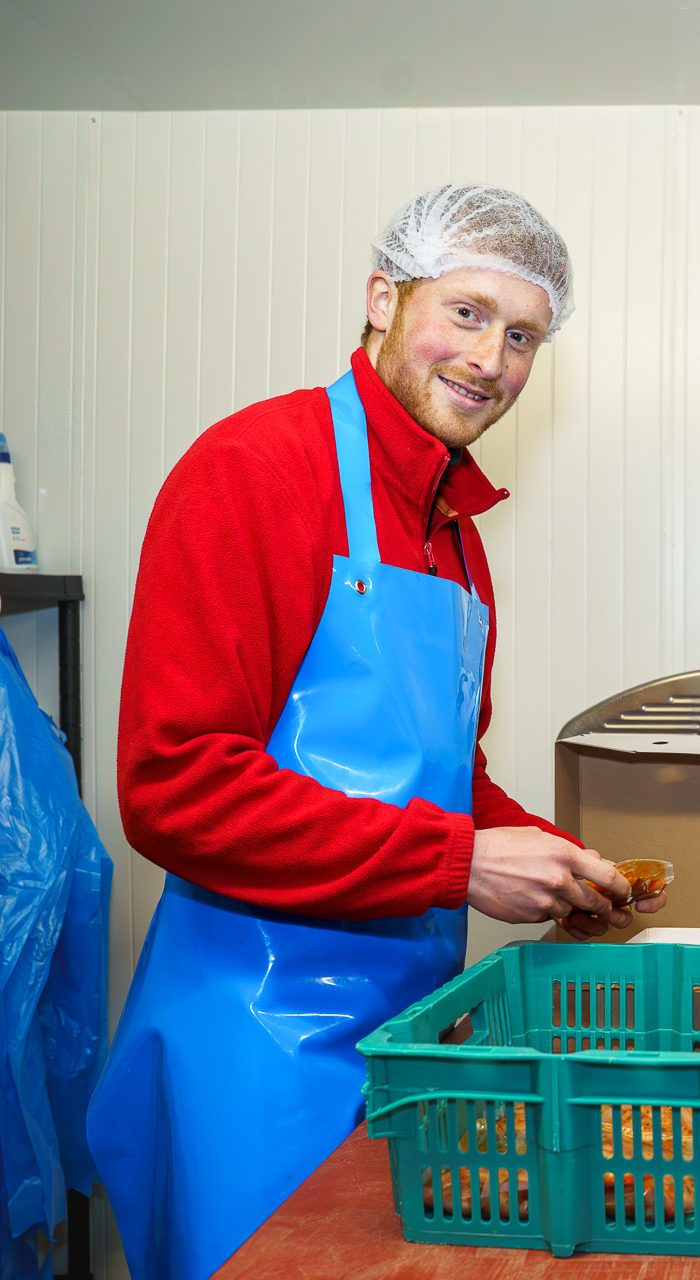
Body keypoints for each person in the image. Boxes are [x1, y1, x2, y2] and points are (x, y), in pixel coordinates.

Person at [87, 184, 666, 1280]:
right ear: (383, 299)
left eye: (523, 336)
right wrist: (460, 863)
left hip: (410, 1038)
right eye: (467, 312)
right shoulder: (255, 469)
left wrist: (558, 859)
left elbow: (446, 777)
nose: (491, 359)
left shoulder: (455, 531)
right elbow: (174, 784)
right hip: (251, 1048)